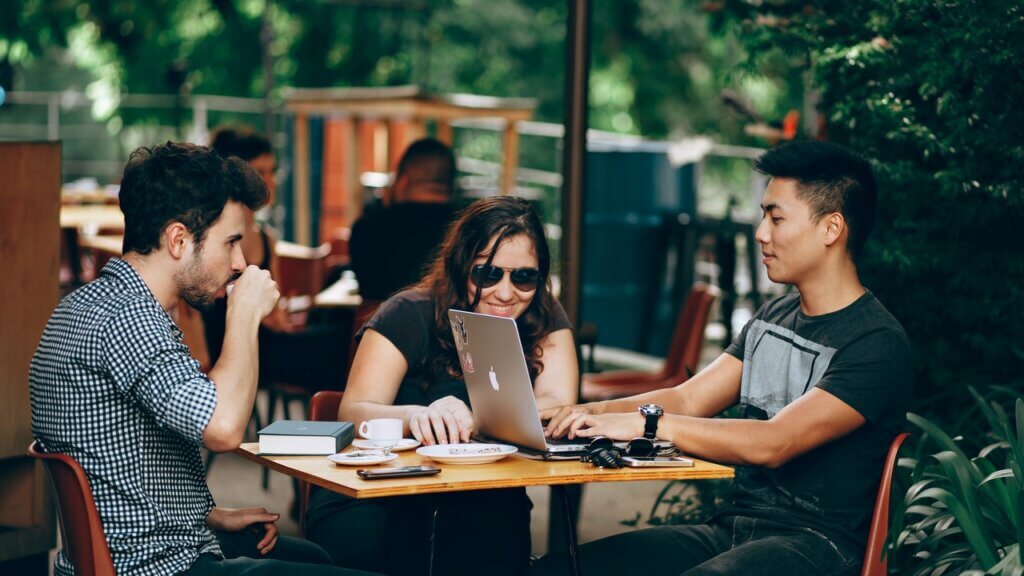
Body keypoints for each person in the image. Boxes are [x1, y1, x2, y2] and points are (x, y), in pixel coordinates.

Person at [534, 140, 913, 576]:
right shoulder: (775, 315)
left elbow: (775, 442)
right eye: (763, 215)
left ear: (831, 228)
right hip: (735, 530)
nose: (761, 233)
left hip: (820, 544)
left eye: (776, 217)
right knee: (564, 569)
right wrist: (584, 413)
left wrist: (647, 423)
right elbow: (691, 398)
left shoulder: (875, 341)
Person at [29, 142, 376, 576]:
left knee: (312, 557)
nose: (240, 262)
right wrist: (245, 313)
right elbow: (225, 429)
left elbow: (119, 460)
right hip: (154, 567)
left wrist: (204, 515)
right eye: (231, 242)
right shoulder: (130, 320)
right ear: (178, 239)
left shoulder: (91, 305)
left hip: (139, 548)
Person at [305, 195, 579, 576]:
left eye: (523, 276)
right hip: (380, 497)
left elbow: (558, 401)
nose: (505, 292)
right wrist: (419, 416)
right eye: (487, 274)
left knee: (495, 535)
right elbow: (353, 411)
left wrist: (480, 416)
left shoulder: (542, 314)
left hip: (483, 501)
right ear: (461, 265)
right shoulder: (409, 312)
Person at [348, 137, 459, 301]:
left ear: (403, 180)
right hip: (446, 325)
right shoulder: (466, 229)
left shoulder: (367, 228)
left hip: (378, 325)